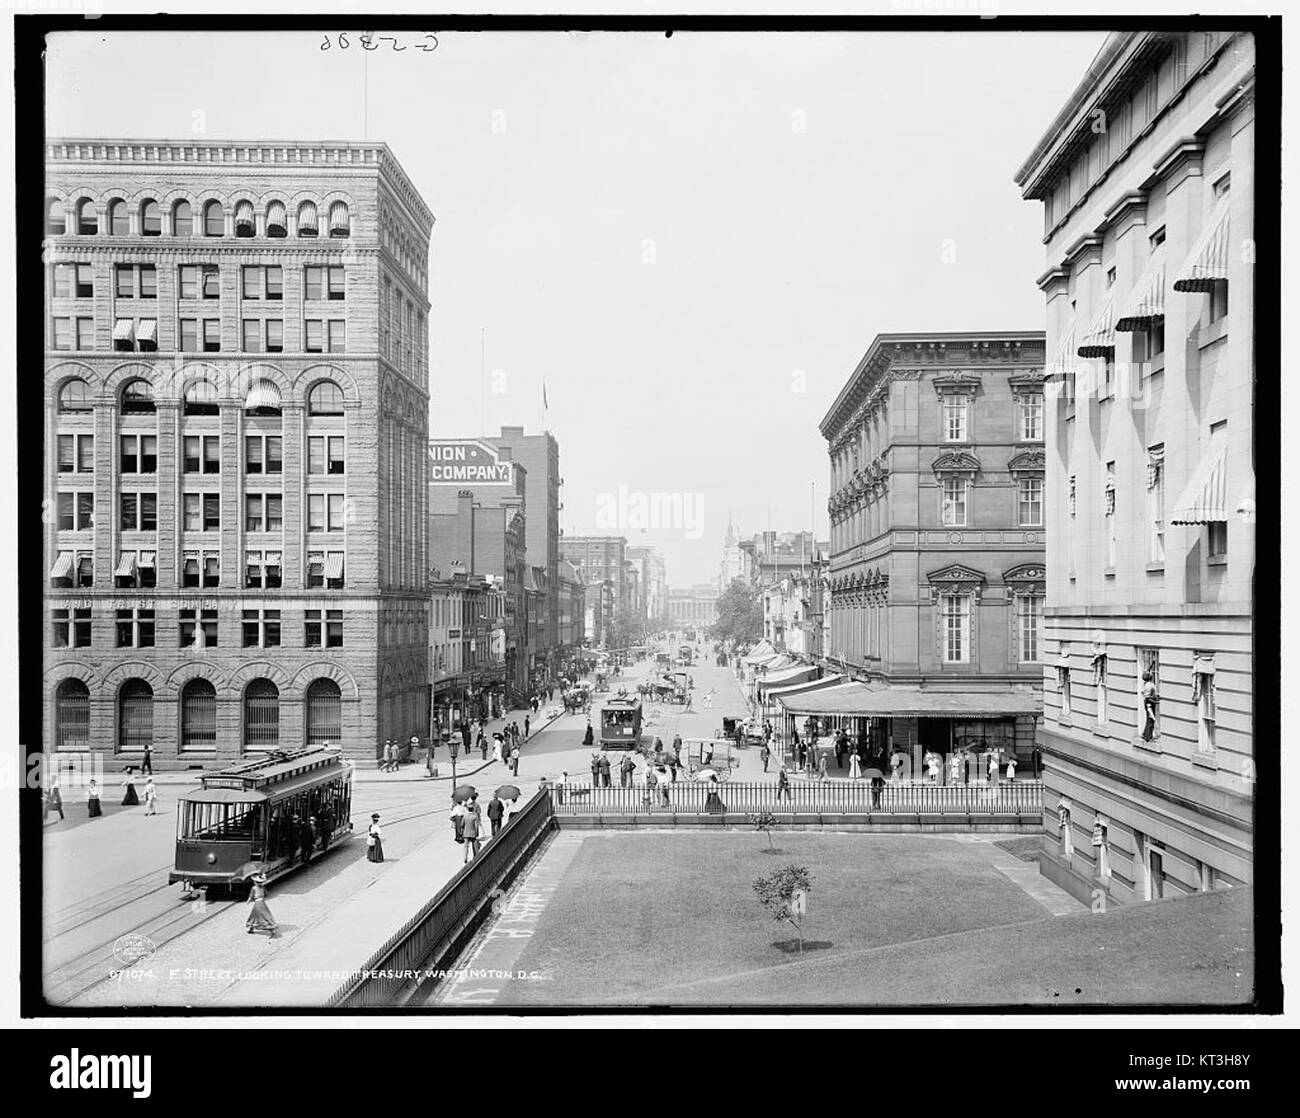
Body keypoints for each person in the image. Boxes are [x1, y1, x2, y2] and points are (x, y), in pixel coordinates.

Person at [1140, 671, 1159, 741]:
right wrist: (1156, 701)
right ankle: (1148, 736)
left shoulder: (1145, 684)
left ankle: (1145, 734)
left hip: (1147, 703)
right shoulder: (1149, 685)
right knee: (1151, 720)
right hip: (1149, 704)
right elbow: (1148, 697)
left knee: (1149, 719)